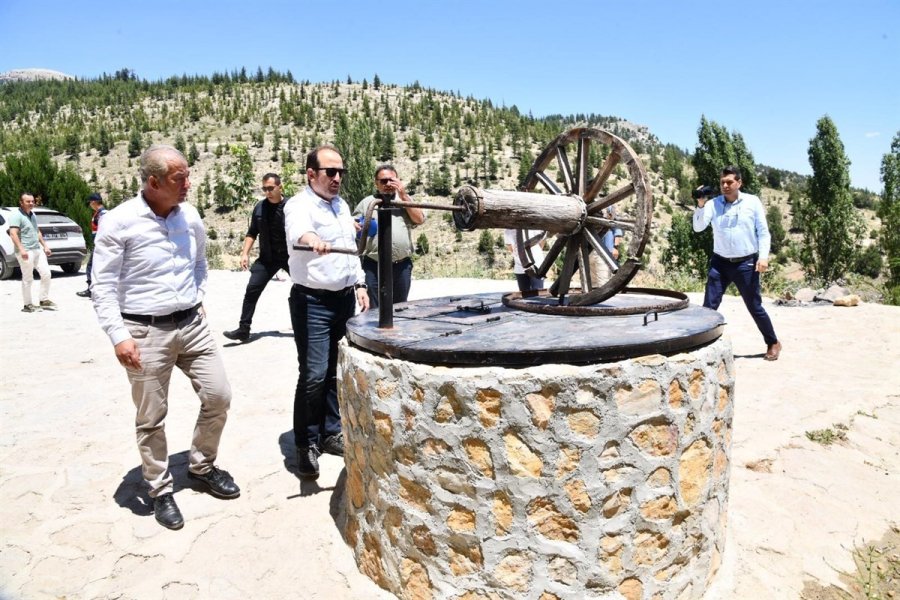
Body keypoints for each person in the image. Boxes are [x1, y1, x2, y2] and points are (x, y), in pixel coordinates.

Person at [91, 145, 239, 530]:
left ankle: (202, 467)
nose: (189, 184)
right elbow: (102, 285)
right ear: (153, 182)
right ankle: (159, 488)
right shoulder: (119, 221)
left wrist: (197, 295)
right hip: (144, 331)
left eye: (188, 175)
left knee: (218, 395)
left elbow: (200, 262)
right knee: (152, 417)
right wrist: (118, 335)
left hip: (191, 324)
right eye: (180, 178)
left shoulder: (189, 215)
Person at [285, 145, 369, 479]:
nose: (337, 178)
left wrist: (360, 283)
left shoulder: (342, 205)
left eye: (340, 173)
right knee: (313, 374)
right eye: (330, 172)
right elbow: (299, 233)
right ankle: (306, 444)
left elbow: (351, 253)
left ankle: (331, 431)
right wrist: (313, 239)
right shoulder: (298, 205)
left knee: (335, 369)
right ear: (311, 174)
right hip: (312, 302)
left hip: (342, 299)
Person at [693, 165, 782, 361]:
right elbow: (698, 228)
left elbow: (763, 232)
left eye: (730, 182)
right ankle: (700, 345)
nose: (725, 185)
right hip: (720, 263)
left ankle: (773, 342)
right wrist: (700, 204)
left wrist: (764, 256)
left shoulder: (752, 202)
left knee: (754, 306)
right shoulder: (712, 204)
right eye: (722, 182)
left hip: (746, 263)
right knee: (709, 306)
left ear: (739, 183)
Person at [223, 173, 290, 341]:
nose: (267, 192)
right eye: (264, 189)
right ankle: (243, 329)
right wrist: (245, 253)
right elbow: (252, 232)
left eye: (270, 188)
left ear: (280, 187)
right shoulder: (259, 207)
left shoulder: (291, 207)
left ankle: (310, 327)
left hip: (291, 257)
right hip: (267, 258)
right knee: (252, 290)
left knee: (306, 289)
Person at [352, 165, 425, 306]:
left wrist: (403, 195)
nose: (387, 185)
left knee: (400, 308)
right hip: (373, 265)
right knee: (373, 309)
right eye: (383, 181)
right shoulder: (367, 203)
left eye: (391, 181)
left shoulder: (405, 201)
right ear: (376, 183)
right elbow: (353, 227)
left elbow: (419, 219)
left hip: (401, 266)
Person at [8, 193, 55, 312]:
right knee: (28, 278)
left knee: (46, 274)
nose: (31, 203)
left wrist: (45, 246)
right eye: (28, 201)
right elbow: (13, 234)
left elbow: (37, 231)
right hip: (25, 251)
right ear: (21, 202)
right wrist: (22, 249)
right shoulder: (16, 216)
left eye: (32, 201)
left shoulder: (32, 214)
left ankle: (43, 300)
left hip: (37, 249)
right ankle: (27, 304)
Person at [76, 192, 107, 298]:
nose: (89, 205)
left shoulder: (101, 214)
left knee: (90, 266)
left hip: (100, 245)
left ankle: (91, 289)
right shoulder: (101, 213)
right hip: (102, 244)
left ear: (94, 202)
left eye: (90, 202)